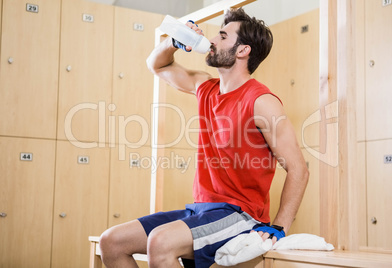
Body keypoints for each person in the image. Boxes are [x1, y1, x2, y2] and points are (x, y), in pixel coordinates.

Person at [99, 7, 309, 268]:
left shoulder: (261, 102)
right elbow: (156, 64)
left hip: (241, 214)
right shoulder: (205, 87)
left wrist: (279, 227)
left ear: (243, 51)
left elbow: (298, 169)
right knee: (111, 242)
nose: (211, 41)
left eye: (222, 36)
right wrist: (175, 41)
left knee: (160, 242)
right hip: (201, 209)